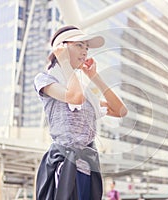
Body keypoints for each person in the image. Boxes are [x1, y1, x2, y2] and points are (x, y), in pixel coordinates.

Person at [34, 25, 128, 200]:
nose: (85, 51)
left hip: (88, 168)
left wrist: (94, 77)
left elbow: (121, 110)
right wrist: (63, 62)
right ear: (61, 48)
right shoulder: (45, 79)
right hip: (64, 167)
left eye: (87, 47)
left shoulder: (86, 94)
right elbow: (74, 97)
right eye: (79, 45)